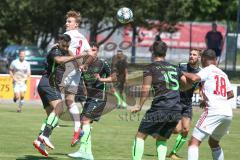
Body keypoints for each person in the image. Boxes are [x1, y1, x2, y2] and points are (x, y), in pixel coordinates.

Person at [32, 34, 90, 157]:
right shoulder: (55, 51)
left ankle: (39, 141)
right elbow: (59, 60)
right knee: (60, 108)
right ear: (59, 42)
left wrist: (79, 64)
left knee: (51, 117)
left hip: (45, 84)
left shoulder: (63, 50)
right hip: (48, 83)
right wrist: (79, 56)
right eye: (64, 45)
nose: (65, 47)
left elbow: (71, 56)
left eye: (67, 45)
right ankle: (44, 136)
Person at [130, 41, 188, 160]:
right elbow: (185, 84)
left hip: (160, 107)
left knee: (140, 136)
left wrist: (139, 105)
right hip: (175, 108)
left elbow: (145, 89)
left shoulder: (150, 68)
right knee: (162, 139)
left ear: (152, 52)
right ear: (165, 53)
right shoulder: (174, 68)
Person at [68, 42, 116, 160]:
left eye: (94, 50)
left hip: (100, 97)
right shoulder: (84, 65)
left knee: (85, 121)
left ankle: (84, 151)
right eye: (90, 50)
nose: (92, 52)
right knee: (83, 122)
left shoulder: (102, 63)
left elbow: (114, 77)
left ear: (97, 51)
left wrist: (102, 79)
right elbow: (83, 79)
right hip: (90, 99)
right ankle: (86, 152)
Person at [183, 49, 234, 160]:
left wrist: (180, 72)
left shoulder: (208, 69)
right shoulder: (223, 74)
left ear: (204, 59)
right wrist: (217, 98)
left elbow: (194, 78)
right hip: (227, 113)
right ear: (215, 60)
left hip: (214, 111)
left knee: (193, 142)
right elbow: (231, 94)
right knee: (214, 143)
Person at [63, 10, 91, 146]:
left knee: (54, 98)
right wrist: (84, 64)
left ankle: (45, 134)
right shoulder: (82, 37)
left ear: (76, 25)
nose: (66, 23)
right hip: (77, 71)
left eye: (69, 21)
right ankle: (77, 130)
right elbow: (90, 53)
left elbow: (67, 49)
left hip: (68, 69)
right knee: (69, 100)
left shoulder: (67, 35)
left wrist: (77, 62)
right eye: (67, 21)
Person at [168, 49, 201, 159]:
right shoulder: (181, 66)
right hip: (177, 100)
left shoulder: (201, 71)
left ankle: (173, 152)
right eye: (190, 54)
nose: (191, 56)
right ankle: (161, 130)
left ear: (198, 58)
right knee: (177, 130)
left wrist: (202, 97)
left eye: (194, 55)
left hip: (187, 103)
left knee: (186, 130)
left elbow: (200, 86)